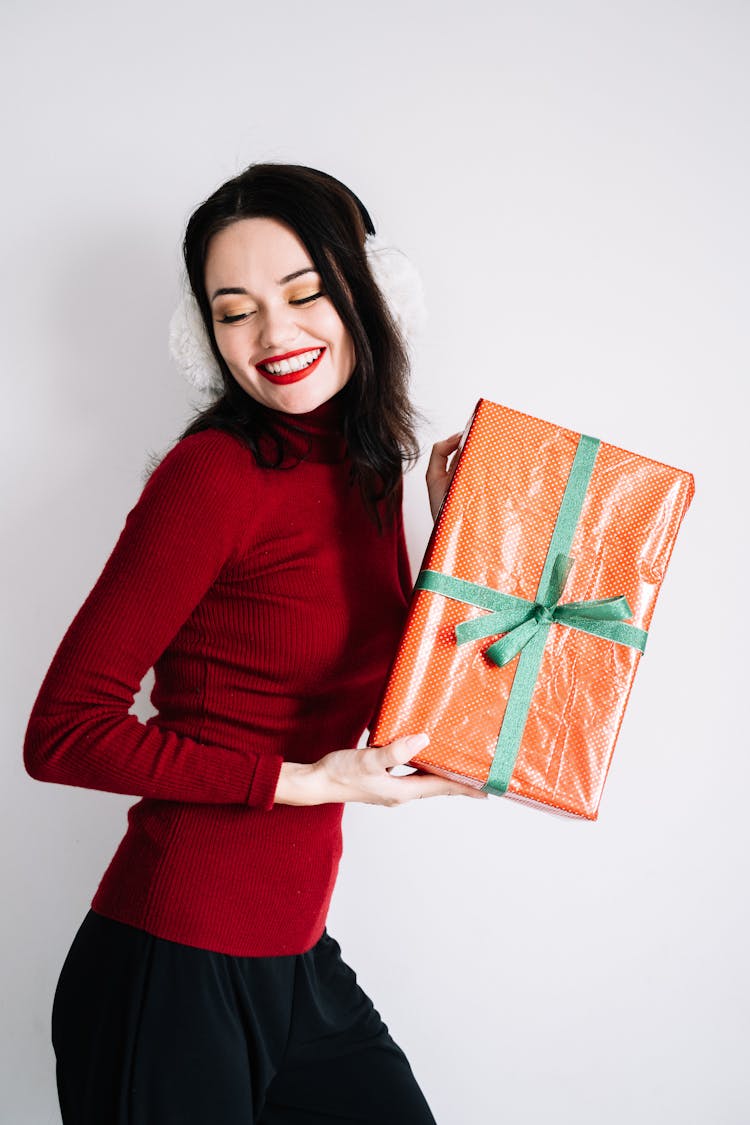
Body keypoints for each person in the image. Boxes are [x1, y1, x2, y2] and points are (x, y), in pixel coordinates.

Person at [23, 162, 486, 1125]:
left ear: (371, 293)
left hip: (295, 956)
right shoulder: (215, 475)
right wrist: (305, 780)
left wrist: (455, 541)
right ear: (205, 336)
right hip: (171, 964)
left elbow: (382, 680)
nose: (275, 335)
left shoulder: (367, 466)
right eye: (235, 311)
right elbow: (63, 732)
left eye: (305, 293)